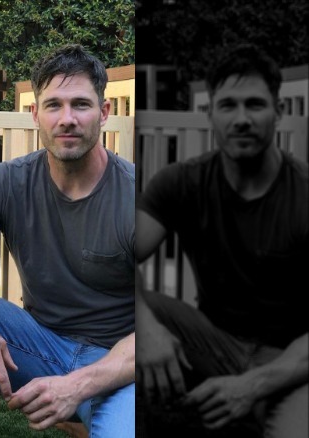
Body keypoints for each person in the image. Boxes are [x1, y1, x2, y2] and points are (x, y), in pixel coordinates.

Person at [0, 44, 135, 437]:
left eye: (81, 105)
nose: (67, 119)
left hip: (120, 365)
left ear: (104, 113)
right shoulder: (6, 182)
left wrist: (76, 387)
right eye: (53, 105)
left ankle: (90, 412)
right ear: (35, 115)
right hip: (40, 347)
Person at [135, 44, 308, 437]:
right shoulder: (181, 182)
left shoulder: (303, 194)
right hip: (214, 342)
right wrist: (146, 331)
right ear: (210, 113)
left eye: (255, 105)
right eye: (228, 105)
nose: (242, 119)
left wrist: (251, 387)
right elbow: (117, 255)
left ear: (278, 112)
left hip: (293, 359)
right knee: (131, 310)